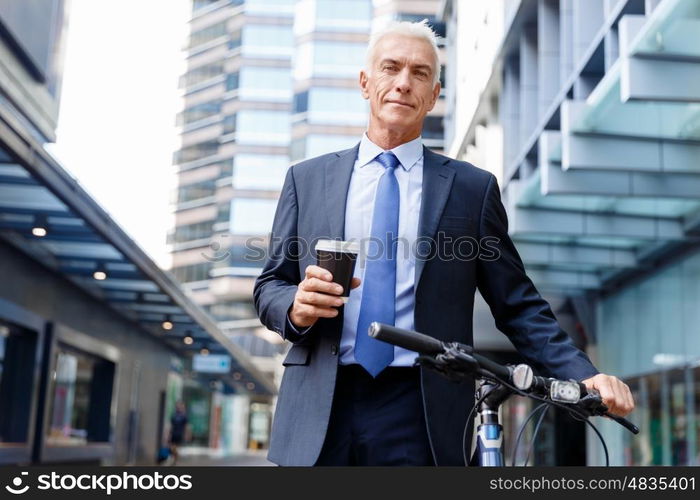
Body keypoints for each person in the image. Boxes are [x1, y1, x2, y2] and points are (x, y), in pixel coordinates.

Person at [253, 21, 634, 466]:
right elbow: (270, 286)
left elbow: (518, 304)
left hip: (423, 410)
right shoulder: (307, 179)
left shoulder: (472, 189)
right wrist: (295, 307)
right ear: (364, 82)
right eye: (390, 68)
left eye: (419, 73)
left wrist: (584, 376)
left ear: (434, 96)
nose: (402, 83)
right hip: (320, 404)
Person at [168, 400, 189, 465]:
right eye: (178, 405)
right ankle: (175, 458)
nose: (179, 407)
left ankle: (175, 460)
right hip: (173, 433)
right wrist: (168, 434)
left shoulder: (184, 416)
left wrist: (187, 434)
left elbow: (186, 426)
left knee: (175, 447)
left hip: (179, 434)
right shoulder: (174, 415)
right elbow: (170, 425)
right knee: (171, 448)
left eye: (180, 405)